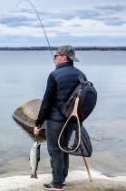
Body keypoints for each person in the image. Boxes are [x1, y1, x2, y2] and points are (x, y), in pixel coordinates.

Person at [33, 45, 87, 191]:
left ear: (64, 57)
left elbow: (46, 102)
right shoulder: (80, 74)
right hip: (71, 119)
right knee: (63, 148)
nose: (54, 58)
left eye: (56, 56)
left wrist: (38, 123)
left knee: (55, 150)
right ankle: (61, 179)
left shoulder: (54, 75)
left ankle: (56, 184)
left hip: (56, 120)